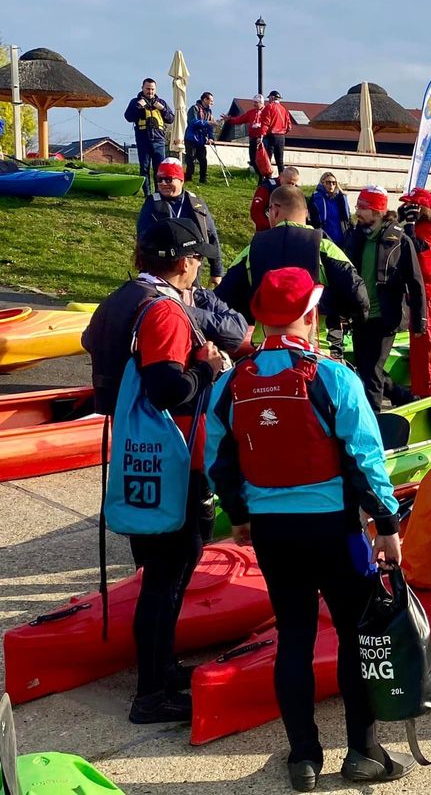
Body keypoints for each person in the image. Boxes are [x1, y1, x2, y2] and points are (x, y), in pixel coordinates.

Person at [205, 267, 412, 791]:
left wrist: (243, 514)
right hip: (336, 530)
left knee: (293, 638)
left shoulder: (231, 382)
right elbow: (367, 457)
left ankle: (303, 757)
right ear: (311, 315)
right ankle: (364, 753)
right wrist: (386, 523)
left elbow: (217, 458)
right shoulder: (333, 377)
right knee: (356, 637)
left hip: (274, 534)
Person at [83, 218, 226, 724]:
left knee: (159, 575)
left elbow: (91, 341)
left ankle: (163, 669)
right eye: (196, 259)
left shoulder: (123, 296)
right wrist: (207, 367)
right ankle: (152, 694)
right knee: (167, 577)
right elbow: (167, 387)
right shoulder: (164, 310)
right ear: (183, 262)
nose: (198, 267)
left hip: (138, 454)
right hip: (173, 460)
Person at [216, 186, 368, 355]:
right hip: (320, 347)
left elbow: (222, 299)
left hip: (268, 349)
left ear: (274, 211)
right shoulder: (325, 247)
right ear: (307, 213)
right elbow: (358, 295)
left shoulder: (251, 251)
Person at [344, 187, 427, 413]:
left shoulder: (399, 239)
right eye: (358, 206)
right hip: (361, 315)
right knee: (366, 367)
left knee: (372, 369)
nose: (357, 212)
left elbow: (416, 281)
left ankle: (374, 420)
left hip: (386, 317)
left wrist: (420, 321)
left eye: (363, 208)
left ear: (378, 211)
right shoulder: (355, 235)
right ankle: (402, 395)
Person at [136, 158, 224, 285]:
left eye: (169, 179)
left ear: (181, 180)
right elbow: (143, 239)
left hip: (191, 268)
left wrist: (216, 271)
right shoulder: (151, 204)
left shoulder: (195, 203)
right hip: (162, 268)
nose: (163, 184)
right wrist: (143, 270)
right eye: (159, 180)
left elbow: (212, 236)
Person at [401, 188, 431, 398]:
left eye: (414, 205)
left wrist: (409, 226)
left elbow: (416, 248)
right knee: (418, 349)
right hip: (417, 294)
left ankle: (430, 393)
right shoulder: (419, 227)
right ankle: (418, 391)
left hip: (429, 295)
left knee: (427, 347)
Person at [124, 78, 174, 195]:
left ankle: (159, 192)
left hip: (159, 141)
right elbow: (128, 117)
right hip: (143, 139)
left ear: (155, 90)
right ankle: (147, 193)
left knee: (160, 169)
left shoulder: (161, 102)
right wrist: (138, 106)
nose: (150, 91)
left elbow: (171, 119)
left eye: (152, 89)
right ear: (142, 88)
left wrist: (163, 109)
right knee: (144, 168)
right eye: (148, 89)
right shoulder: (135, 102)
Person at [251, 164, 302, 233]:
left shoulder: (296, 192)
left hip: (289, 232)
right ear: (281, 176)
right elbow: (256, 212)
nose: (290, 186)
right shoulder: (266, 188)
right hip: (267, 231)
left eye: (293, 184)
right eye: (288, 183)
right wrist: (272, 228)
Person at [307, 172, 352, 249]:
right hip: (324, 241)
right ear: (322, 183)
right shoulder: (315, 198)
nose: (331, 185)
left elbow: (348, 219)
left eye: (333, 183)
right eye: (328, 182)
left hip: (341, 242)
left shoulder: (340, 199)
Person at [225, 94, 268, 170]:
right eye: (254, 102)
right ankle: (258, 176)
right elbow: (240, 119)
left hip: (263, 139)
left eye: (256, 103)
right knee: (253, 159)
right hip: (253, 138)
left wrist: (261, 135)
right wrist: (229, 120)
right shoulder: (251, 112)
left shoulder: (267, 112)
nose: (254, 104)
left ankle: (264, 177)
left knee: (263, 159)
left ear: (261, 103)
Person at [184, 92, 215, 184]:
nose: (212, 103)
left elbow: (210, 126)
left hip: (201, 139)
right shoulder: (194, 108)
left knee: (203, 159)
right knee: (190, 159)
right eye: (211, 101)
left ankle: (203, 179)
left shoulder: (209, 112)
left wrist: (211, 137)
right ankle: (189, 178)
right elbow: (193, 122)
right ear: (205, 99)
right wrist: (207, 123)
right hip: (191, 138)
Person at [262, 91, 293, 174]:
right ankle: (283, 180)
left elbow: (266, 123)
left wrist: (262, 135)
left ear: (272, 98)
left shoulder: (269, 107)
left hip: (271, 136)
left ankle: (267, 180)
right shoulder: (284, 110)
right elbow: (289, 127)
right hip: (281, 137)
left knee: (267, 159)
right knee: (280, 161)